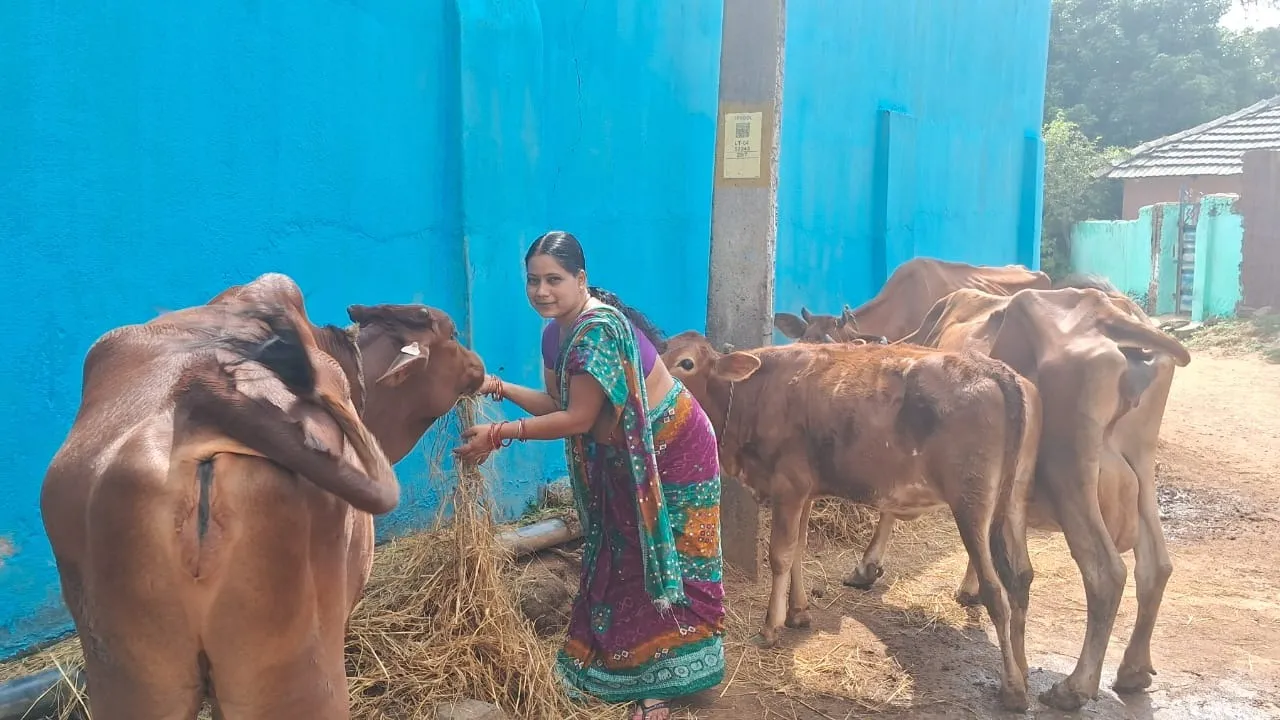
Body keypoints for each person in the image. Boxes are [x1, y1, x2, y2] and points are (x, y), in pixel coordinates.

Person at [454, 230, 726, 720]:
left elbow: (577, 420)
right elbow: (561, 405)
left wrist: (498, 433)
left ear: (581, 279)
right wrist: (497, 386)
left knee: (663, 549)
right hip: (628, 451)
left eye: (554, 279)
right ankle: (633, 659)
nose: (542, 291)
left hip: (674, 446)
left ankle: (662, 681)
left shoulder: (596, 331)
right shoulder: (556, 331)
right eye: (533, 280)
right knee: (623, 548)